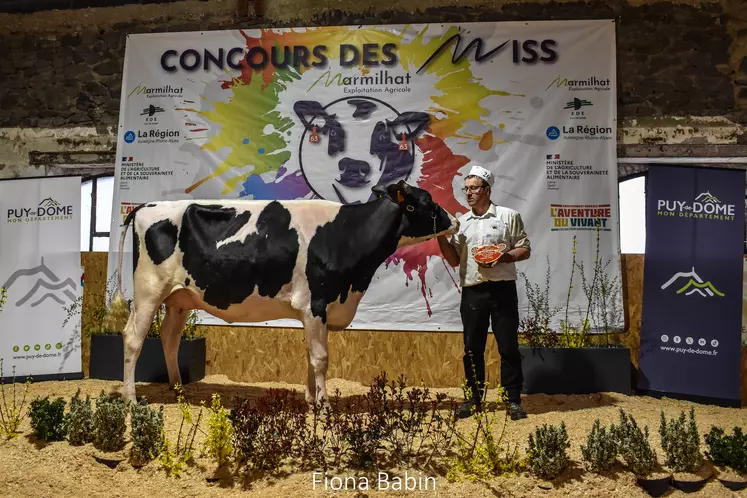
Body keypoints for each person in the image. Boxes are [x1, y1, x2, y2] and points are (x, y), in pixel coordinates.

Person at [437, 165, 531, 420]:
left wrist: (502, 257)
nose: (468, 193)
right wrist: (440, 238)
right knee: (471, 348)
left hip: (502, 290)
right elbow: (455, 261)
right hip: (473, 291)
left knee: (508, 347)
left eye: (474, 188)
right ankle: (473, 398)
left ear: (487, 190)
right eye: (466, 189)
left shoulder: (508, 216)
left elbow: (524, 249)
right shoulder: (461, 222)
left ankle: (512, 400)